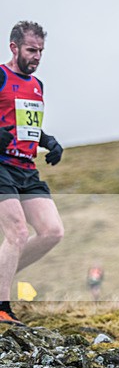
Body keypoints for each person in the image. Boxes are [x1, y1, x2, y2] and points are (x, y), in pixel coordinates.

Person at [0, 21, 64, 325]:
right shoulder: (1, 76)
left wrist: (48, 141)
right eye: (31, 49)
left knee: (52, 231)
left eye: (41, 51)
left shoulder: (37, 86)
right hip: (0, 166)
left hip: (26, 168)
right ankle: (1, 308)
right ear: (14, 48)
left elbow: (27, 126)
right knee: (17, 232)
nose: (37, 56)